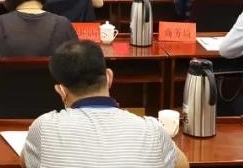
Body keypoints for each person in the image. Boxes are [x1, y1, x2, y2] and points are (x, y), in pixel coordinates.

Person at [23, 40, 187, 168]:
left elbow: (25, 162)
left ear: (61, 91)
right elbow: (183, 164)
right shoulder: (153, 130)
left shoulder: (43, 127)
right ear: (109, 77)